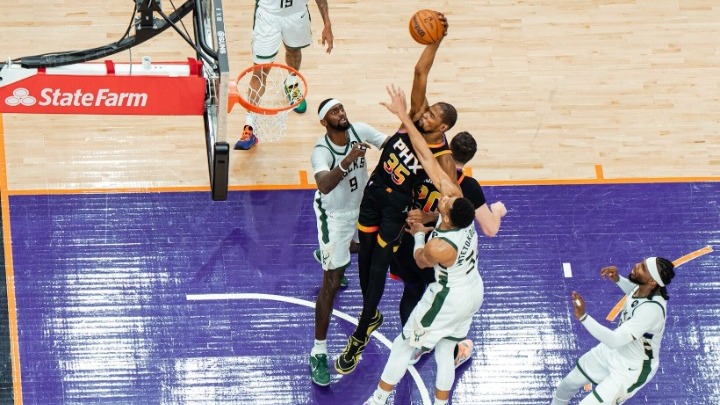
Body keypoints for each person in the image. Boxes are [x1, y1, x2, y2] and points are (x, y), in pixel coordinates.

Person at [335, 11, 459, 375]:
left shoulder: (443, 158)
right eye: (428, 110)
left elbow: (451, 203)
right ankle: (370, 314)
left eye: (433, 115)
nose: (426, 114)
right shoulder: (414, 117)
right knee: (363, 259)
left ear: (443, 127)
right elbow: (420, 73)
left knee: (377, 270)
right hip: (374, 193)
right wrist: (436, 40)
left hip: (397, 209)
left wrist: (429, 217)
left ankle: (361, 333)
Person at [362, 84, 483, 405]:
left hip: (450, 296)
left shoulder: (442, 246)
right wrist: (404, 115)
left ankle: (378, 398)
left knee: (404, 345)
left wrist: (418, 232)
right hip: (473, 291)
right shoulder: (458, 203)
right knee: (445, 350)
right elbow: (427, 156)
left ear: (449, 218)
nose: (442, 200)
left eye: (443, 206)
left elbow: (421, 259)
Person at [392, 131, 507, 366]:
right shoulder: (466, 186)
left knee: (411, 292)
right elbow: (490, 228)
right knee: (446, 307)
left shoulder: (423, 167)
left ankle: (414, 347)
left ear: (449, 147)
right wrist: (497, 211)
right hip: (441, 251)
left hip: (408, 238)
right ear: (471, 157)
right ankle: (453, 352)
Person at [308, 98, 388, 386]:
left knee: (368, 248)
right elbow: (324, 185)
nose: (341, 113)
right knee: (332, 281)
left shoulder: (360, 130)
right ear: (324, 121)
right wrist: (349, 159)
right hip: (335, 217)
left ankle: (329, 253)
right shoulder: (321, 150)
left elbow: (391, 145)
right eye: (334, 111)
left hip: (363, 207)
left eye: (341, 108)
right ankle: (318, 352)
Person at [550, 257, 676, 405]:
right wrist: (618, 279)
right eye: (642, 263)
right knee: (569, 383)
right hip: (614, 352)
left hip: (631, 369)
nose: (637, 265)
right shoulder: (644, 288)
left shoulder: (651, 311)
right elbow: (633, 292)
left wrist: (583, 317)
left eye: (643, 268)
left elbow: (614, 341)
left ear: (652, 281)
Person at [234, 0, 334, 150]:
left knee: (294, 51)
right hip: (268, 16)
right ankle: (249, 127)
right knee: (260, 71)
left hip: (296, 14)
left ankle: (291, 84)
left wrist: (327, 23)